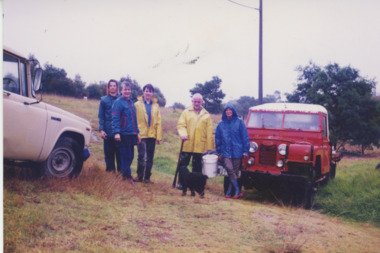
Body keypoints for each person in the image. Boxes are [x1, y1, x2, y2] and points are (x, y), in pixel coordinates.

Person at [215, 103, 250, 199]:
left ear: (233, 111)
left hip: (237, 152)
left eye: (230, 110)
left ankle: (229, 192)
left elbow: (245, 137)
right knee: (229, 169)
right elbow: (217, 139)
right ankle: (238, 190)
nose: (228, 112)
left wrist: (245, 150)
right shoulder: (221, 125)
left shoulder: (239, 122)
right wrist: (218, 152)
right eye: (226, 110)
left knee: (233, 171)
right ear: (224, 112)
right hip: (225, 152)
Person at [177, 93, 214, 178]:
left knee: (197, 166)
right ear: (192, 101)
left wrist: (209, 147)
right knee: (183, 164)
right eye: (195, 101)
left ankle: (196, 184)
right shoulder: (186, 112)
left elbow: (209, 131)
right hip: (187, 142)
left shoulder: (206, 115)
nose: (197, 103)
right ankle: (181, 182)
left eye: (199, 102)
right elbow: (181, 125)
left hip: (199, 145)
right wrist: (183, 134)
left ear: (202, 102)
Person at [112, 81, 141, 184]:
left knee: (131, 155)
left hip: (131, 134)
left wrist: (137, 133)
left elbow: (134, 120)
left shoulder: (131, 103)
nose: (127, 91)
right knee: (126, 156)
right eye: (125, 89)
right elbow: (115, 118)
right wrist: (116, 132)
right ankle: (126, 176)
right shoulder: (118, 102)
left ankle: (124, 174)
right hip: (123, 134)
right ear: (121, 90)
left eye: (129, 89)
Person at [134, 84, 162, 184]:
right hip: (141, 134)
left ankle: (147, 178)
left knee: (150, 157)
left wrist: (158, 136)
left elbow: (158, 121)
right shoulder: (137, 104)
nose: (148, 93)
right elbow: (134, 120)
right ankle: (139, 176)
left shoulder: (156, 106)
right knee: (141, 155)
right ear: (143, 92)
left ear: (152, 93)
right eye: (146, 91)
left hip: (152, 135)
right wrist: (136, 133)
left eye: (150, 91)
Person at [98, 79, 121, 173]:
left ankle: (121, 173)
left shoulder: (121, 99)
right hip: (107, 130)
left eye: (114, 85)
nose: (112, 87)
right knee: (109, 153)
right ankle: (110, 173)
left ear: (117, 87)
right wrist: (101, 130)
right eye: (111, 85)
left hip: (119, 131)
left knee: (120, 153)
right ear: (108, 87)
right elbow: (101, 116)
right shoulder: (104, 100)